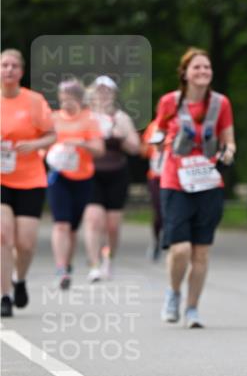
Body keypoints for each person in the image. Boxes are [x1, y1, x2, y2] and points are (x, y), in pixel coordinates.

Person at [154, 47, 235, 328]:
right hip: (176, 181)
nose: (202, 72)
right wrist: (161, 144)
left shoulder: (220, 103)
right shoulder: (169, 102)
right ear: (185, 73)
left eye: (207, 68)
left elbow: (229, 139)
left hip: (208, 181)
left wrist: (228, 153)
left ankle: (192, 309)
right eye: (197, 67)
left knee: (201, 251)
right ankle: (173, 292)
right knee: (180, 249)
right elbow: (159, 132)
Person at [0, 48, 55, 317]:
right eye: (3, 65)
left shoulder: (34, 101)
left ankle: (20, 280)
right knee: (2, 236)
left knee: (26, 243)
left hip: (31, 179)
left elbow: (51, 135)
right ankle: (5, 294)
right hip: (1, 180)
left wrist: (33, 144)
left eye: (13, 66)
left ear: (21, 72)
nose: (8, 70)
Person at [47, 79, 104, 289]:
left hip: (83, 178)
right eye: (62, 100)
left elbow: (99, 149)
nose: (65, 104)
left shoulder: (89, 120)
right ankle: (61, 268)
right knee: (60, 224)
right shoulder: (52, 119)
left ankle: (67, 265)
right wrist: (51, 153)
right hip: (59, 176)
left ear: (80, 100)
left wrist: (81, 144)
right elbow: (44, 144)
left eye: (70, 100)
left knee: (71, 228)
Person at [84, 76, 141, 282]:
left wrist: (120, 135)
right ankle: (94, 264)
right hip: (91, 173)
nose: (103, 95)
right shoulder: (86, 117)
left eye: (107, 91)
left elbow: (136, 148)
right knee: (93, 220)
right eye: (99, 91)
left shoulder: (122, 118)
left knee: (113, 225)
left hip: (117, 174)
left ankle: (109, 258)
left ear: (113, 94)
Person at [140, 116, 166, 259]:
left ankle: (173, 241)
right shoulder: (153, 126)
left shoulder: (180, 123)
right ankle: (157, 240)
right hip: (156, 176)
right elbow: (143, 151)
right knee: (159, 211)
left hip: (176, 176)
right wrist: (154, 145)